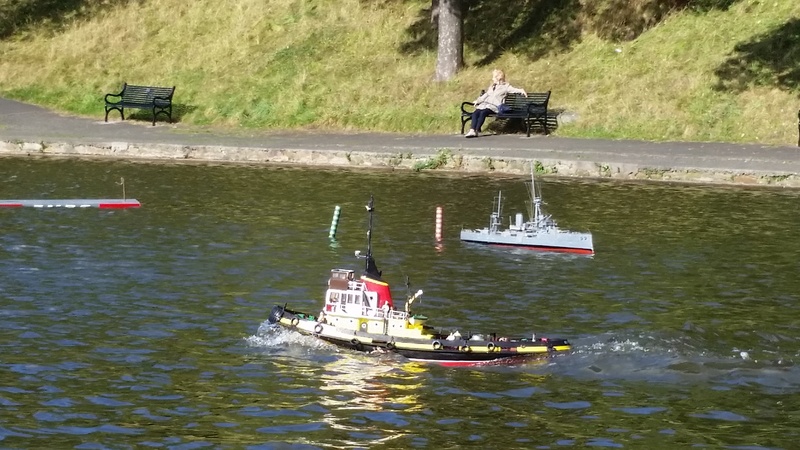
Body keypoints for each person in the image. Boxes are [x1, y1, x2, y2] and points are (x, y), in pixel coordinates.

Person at [466, 69, 527, 138]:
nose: (492, 79)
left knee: (483, 113)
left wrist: (521, 90)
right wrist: (478, 101)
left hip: (494, 107)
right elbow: (485, 95)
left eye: (494, 77)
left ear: (498, 78)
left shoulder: (505, 87)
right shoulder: (492, 86)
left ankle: (476, 130)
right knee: (476, 112)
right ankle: (472, 130)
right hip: (485, 104)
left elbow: (513, 90)